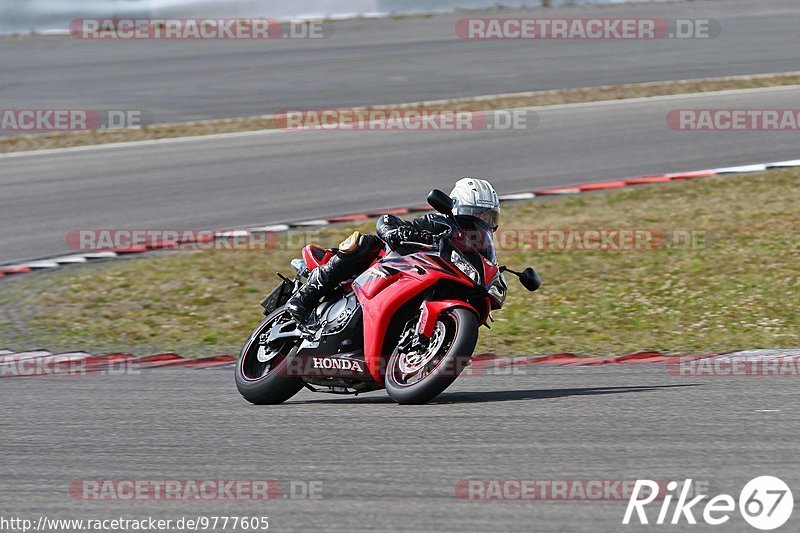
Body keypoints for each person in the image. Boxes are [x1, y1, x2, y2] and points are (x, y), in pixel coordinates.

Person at [285, 177, 500, 323]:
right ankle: (303, 298)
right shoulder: (440, 223)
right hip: (390, 265)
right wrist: (395, 232)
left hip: (420, 281)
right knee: (364, 243)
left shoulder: (473, 247)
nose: (483, 220)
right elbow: (387, 220)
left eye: (489, 216)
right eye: (478, 213)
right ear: (458, 206)